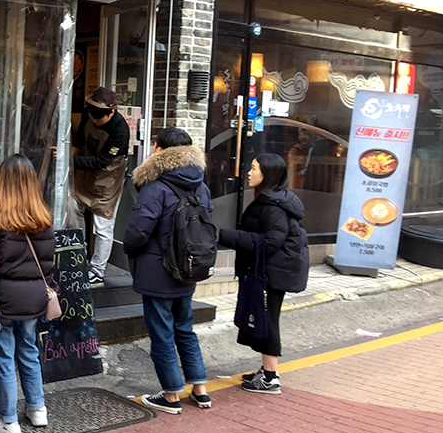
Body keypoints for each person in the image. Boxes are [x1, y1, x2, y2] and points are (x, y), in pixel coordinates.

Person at [123, 127, 213, 415]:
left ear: (159, 150)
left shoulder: (156, 187)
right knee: (185, 328)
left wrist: (129, 250)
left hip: (157, 271)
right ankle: (200, 389)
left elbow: (137, 232)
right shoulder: (201, 186)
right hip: (189, 268)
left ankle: (172, 395)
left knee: (161, 333)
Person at [218, 153, 308, 395]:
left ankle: (270, 377)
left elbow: (270, 242)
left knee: (267, 321)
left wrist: (230, 237)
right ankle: (267, 370)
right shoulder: (275, 199)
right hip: (272, 270)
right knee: (265, 318)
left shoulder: (273, 207)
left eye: (254, 168)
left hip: (272, 273)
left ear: (267, 174)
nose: (249, 172)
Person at [0, 154, 53, 433]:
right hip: (35, 298)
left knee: (3, 357)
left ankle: (8, 421)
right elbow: (48, 264)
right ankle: (37, 408)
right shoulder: (44, 217)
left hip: (4, 299)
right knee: (29, 350)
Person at [64, 87, 130, 287]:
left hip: (107, 178)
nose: (93, 119)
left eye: (99, 116)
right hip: (85, 172)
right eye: (91, 114)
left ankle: (97, 270)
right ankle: (78, 252)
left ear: (112, 112)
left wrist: (69, 161)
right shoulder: (90, 114)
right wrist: (69, 160)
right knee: (72, 206)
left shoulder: (120, 130)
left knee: (103, 226)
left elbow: (101, 162)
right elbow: (79, 140)